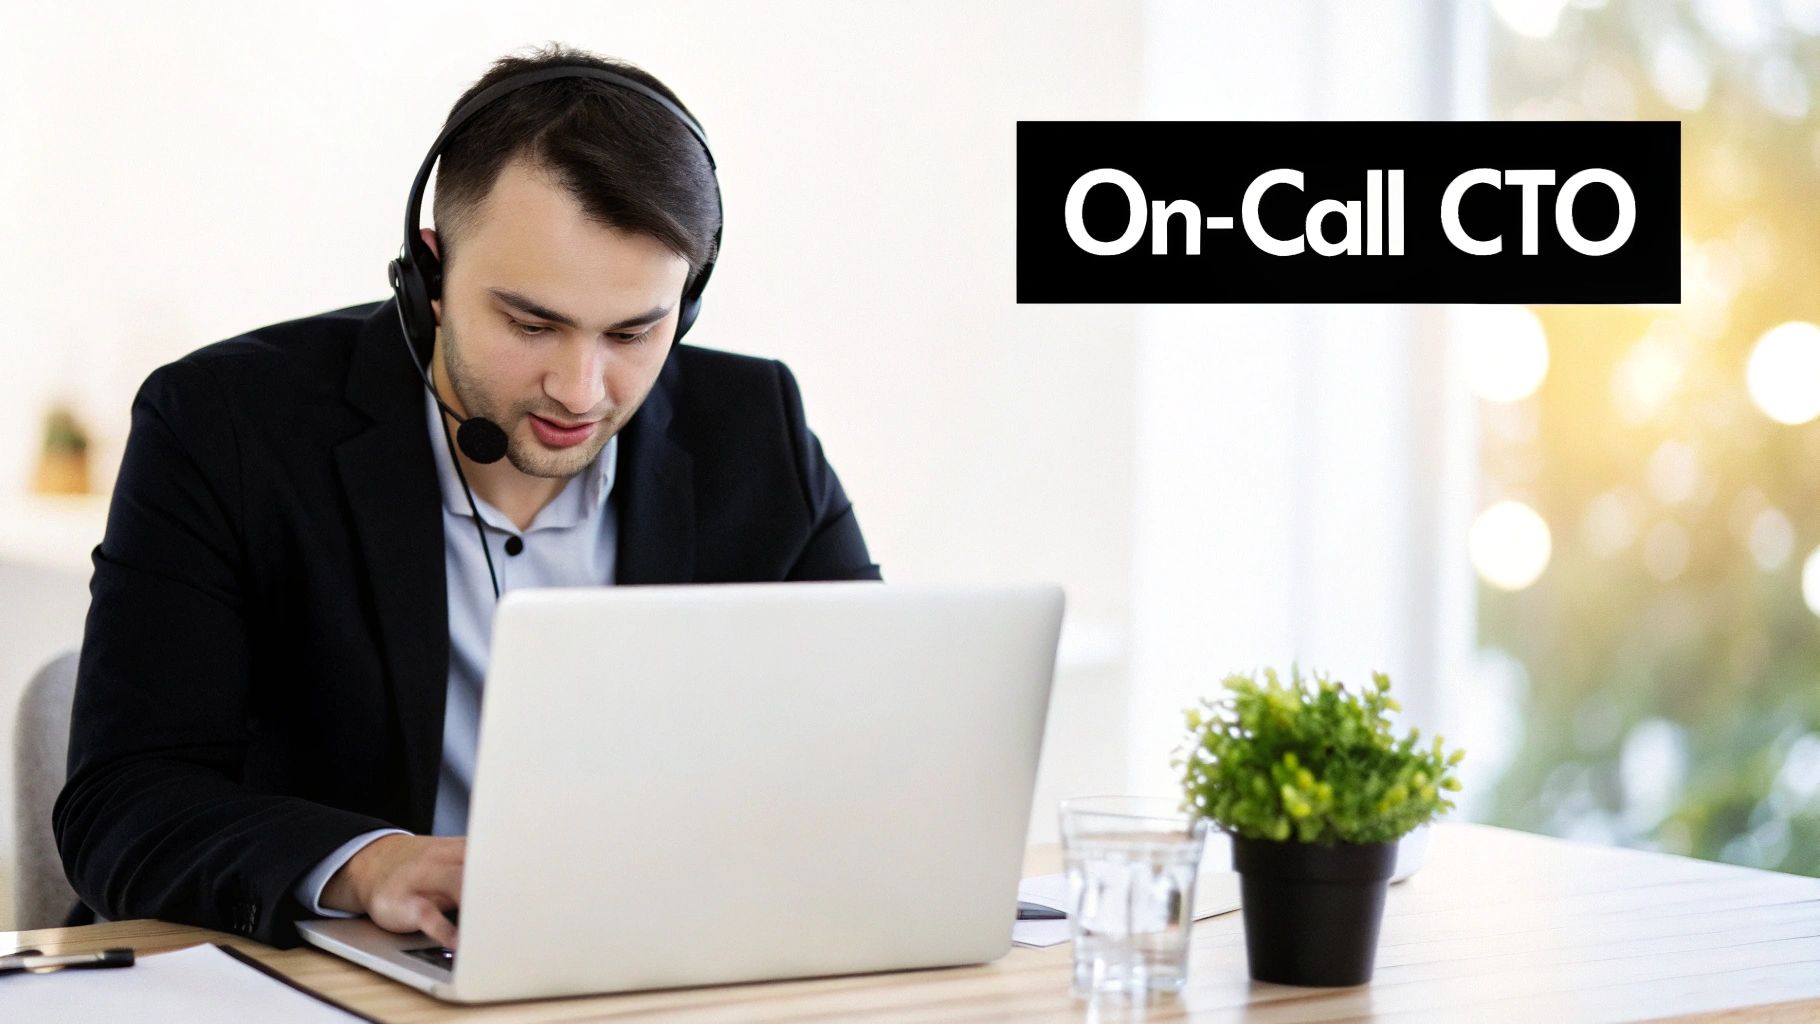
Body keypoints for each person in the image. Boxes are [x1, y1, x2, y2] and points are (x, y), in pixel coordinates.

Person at [53, 45, 880, 951]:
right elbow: (123, 806)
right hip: (323, 980)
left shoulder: (755, 430)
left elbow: (870, 746)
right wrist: (369, 864)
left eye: (635, 331)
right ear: (430, 277)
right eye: (532, 324)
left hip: (645, 967)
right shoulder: (226, 425)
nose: (581, 387)